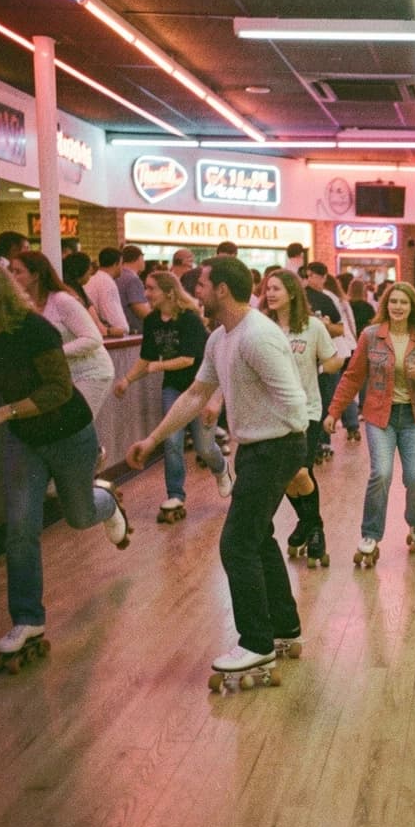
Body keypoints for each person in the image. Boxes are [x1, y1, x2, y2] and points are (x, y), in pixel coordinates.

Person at [127, 256, 310, 681]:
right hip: (257, 448)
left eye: (203, 284)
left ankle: (256, 645)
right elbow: (196, 394)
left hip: (275, 448)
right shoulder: (220, 337)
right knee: (258, 538)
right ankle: (284, 628)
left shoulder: (258, 337)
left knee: (236, 545)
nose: (197, 291)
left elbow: (295, 402)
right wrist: (153, 439)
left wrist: (295, 463)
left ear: (222, 290)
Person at [0, 261, 132, 665]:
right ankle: (28, 620)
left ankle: (107, 502)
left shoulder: (35, 330)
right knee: (21, 528)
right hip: (25, 441)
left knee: (79, 516)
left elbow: (58, 390)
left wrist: (2, 413)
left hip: (69, 433)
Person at [323, 283, 415, 565]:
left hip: (414, 417)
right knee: (381, 473)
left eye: (404, 302)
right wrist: (334, 412)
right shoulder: (371, 335)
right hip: (380, 417)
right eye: (393, 302)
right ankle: (370, 534)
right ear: (386, 305)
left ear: (412, 307)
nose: (398, 307)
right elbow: (353, 377)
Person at [115, 270, 231, 523]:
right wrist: (127, 379)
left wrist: (158, 366)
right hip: (174, 388)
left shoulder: (189, 319)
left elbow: (188, 359)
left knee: (203, 447)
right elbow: (146, 358)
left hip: (202, 388)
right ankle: (175, 494)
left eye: (151, 288)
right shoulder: (152, 321)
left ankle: (221, 468)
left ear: (169, 292)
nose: (146, 294)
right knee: (172, 440)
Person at [263, 269, 341, 563]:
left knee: (300, 471)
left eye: (277, 289)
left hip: (307, 410)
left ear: (292, 293)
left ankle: (315, 528)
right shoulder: (263, 327)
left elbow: (334, 359)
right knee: (285, 476)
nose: (270, 294)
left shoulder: (312, 326)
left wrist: (320, 367)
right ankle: (309, 522)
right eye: (268, 288)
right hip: (272, 413)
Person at [8, 251, 115, 422]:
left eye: (18, 272)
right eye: (11, 271)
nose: (12, 277)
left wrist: (54, 354)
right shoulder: (23, 307)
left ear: (35, 275)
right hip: (62, 376)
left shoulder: (62, 300)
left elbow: (93, 338)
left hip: (91, 372)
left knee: (78, 424)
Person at [302, 261, 344, 460]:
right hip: (304, 360)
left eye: (314, 276)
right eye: (307, 276)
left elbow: (340, 329)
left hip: (323, 359)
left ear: (323, 278)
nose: (310, 280)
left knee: (324, 399)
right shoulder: (298, 299)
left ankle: (321, 441)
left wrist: (325, 326)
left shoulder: (326, 299)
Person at [325, 272, 360, 440]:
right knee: (344, 387)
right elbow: (351, 323)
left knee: (336, 387)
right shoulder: (342, 300)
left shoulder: (326, 299)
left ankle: (338, 423)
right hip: (347, 346)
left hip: (334, 348)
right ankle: (352, 424)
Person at [83, 248, 129, 337]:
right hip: (104, 335)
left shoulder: (94, 278)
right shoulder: (106, 282)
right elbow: (113, 317)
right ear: (116, 264)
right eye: (121, 264)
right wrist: (124, 330)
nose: (122, 268)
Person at [117, 246, 150, 334]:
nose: (144, 262)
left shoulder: (118, 275)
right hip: (134, 330)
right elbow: (140, 309)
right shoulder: (133, 279)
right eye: (143, 258)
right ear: (138, 258)